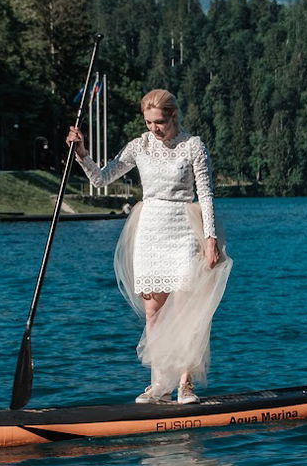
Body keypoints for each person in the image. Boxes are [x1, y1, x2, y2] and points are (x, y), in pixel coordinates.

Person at [66, 89, 231, 404]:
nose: (154, 128)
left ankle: (185, 385)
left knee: (186, 309)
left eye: (159, 122)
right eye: (148, 122)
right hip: (150, 228)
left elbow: (206, 195)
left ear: (173, 117)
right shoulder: (138, 145)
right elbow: (102, 179)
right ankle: (158, 385)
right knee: (153, 311)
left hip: (183, 227)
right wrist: (81, 153)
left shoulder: (192, 146)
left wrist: (210, 239)